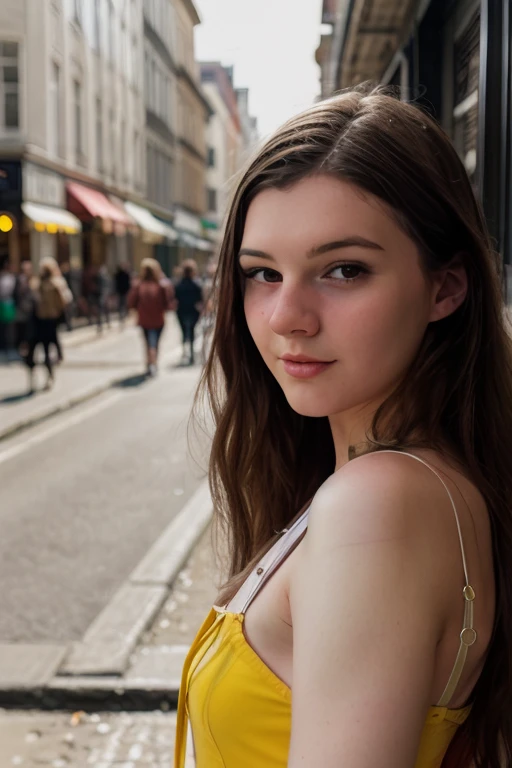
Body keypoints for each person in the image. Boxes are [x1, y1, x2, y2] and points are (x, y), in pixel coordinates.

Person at [174, 86, 512, 768]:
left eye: (344, 270)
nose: (286, 316)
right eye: (262, 273)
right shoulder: (400, 480)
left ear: (445, 287)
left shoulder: (376, 501)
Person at [25, 257, 72, 392]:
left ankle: (49, 376)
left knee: (46, 351)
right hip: (38, 321)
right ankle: (35, 378)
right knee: (33, 352)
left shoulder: (55, 283)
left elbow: (63, 301)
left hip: (49, 320)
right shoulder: (37, 283)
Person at [127, 257, 174, 377]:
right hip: (158, 319)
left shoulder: (138, 286)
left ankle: (149, 363)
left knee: (148, 342)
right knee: (155, 343)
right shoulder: (161, 286)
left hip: (144, 320)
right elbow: (167, 304)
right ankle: (154, 363)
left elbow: (131, 302)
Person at [174, 260, 203, 365]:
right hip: (193, 311)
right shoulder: (196, 284)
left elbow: (175, 298)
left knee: (183, 331)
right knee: (192, 331)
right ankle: (191, 354)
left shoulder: (178, 285)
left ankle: (184, 352)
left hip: (181, 311)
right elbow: (200, 300)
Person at [14, 259, 35, 356]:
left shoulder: (32, 280)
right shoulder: (20, 280)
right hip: (22, 311)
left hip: (31, 311)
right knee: (22, 332)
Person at [0, 253, 17, 359]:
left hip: (10, 305)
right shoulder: (6, 278)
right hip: (3, 304)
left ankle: (10, 347)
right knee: (3, 328)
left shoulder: (12, 278)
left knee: (9, 328)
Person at [114, 262, 132, 326]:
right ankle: (122, 315)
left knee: (123, 303)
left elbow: (128, 283)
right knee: (122, 304)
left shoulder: (125, 274)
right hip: (121, 291)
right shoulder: (119, 274)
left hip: (123, 291)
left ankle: (123, 315)